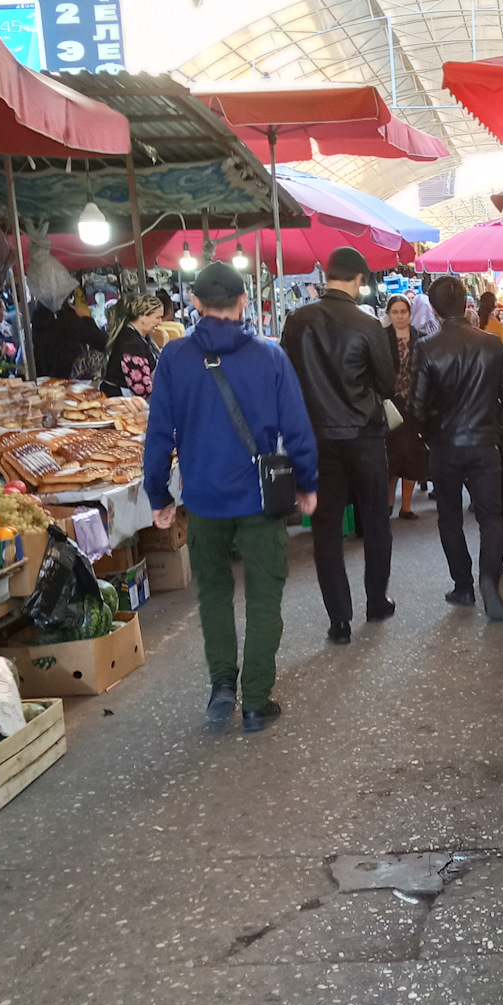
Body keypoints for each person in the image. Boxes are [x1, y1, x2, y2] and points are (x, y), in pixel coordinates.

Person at [142, 260, 317, 733]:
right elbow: (297, 429)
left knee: (214, 594)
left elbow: (158, 436)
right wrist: (307, 483)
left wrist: (158, 495)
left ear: (195, 304)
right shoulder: (270, 356)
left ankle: (222, 683)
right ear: (244, 302)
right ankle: (257, 701)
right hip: (260, 500)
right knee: (264, 596)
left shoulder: (174, 358)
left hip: (202, 501)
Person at [279, 246, 398, 644]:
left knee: (326, 528)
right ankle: (376, 601)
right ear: (359, 279)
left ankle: (339, 621)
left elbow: (286, 381)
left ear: (326, 274)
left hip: (316, 439)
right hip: (364, 435)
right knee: (376, 520)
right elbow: (386, 385)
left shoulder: (296, 322)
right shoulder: (367, 325)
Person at [409, 276, 503, 621]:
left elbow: (417, 407)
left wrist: (429, 434)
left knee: (450, 517)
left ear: (434, 308)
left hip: (445, 446)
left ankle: (463, 585)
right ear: (465, 303)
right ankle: (489, 581)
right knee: (491, 517)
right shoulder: (492, 344)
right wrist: (495, 428)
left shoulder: (426, 348)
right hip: (485, 443)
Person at [383, 296, 431, 519]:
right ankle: (389, 503)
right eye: (395, 311)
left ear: (410, 313)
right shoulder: (382, 339)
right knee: (392, 455)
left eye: (403, 311)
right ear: (389, 313)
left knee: (413, 455)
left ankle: (407, 507)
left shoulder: (421, 339)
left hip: (415, 404)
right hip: (390, 404)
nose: (400, 316)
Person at [31, 289, 107, 379]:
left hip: (43, 379)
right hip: (71, 380)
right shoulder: (68, 319)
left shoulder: (37, 320)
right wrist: (86, 318)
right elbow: (101, 341)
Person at [101, 293, 164, 399]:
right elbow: (142, 390)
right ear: (143, 317)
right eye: (157, 317)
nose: (160, 322)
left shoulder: (138, 336)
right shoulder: (131, 345)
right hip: (121, 401)